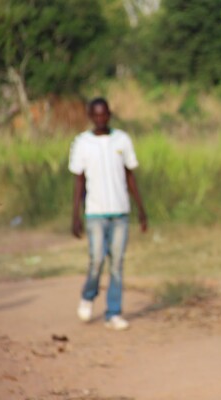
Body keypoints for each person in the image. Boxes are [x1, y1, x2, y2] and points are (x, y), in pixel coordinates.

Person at [68, 97, 147, 331]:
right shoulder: (82, 143)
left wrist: (142, 210)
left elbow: (130, 176)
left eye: (104, 115)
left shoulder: (122, 140)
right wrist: (75, 215)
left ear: (109, 115)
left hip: (120, 211)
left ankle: (113, 312)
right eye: (96, 115)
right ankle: (88, 295)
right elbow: (79, 181)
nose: (101, 119)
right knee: (97, 259)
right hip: (95, 213)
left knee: (117, 263)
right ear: (91, 116)